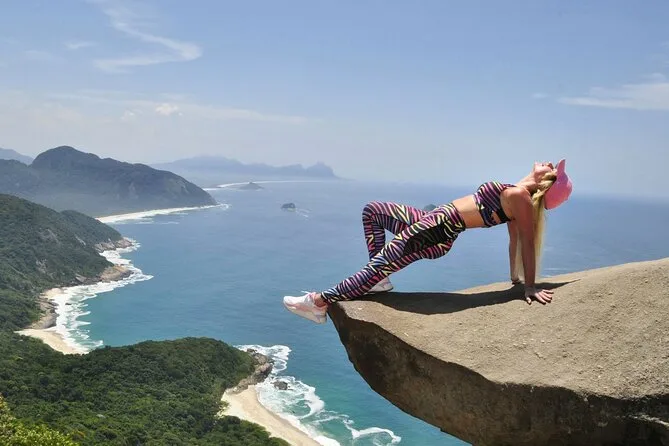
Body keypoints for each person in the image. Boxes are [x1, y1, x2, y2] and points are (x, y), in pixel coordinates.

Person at [284, 159, 573, 324]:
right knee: (373, 211)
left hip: (436, 231)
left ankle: (319, 302)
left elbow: (526, 241)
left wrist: (530, 286)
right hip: (431, 220)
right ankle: (379, 281)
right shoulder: (517, 191)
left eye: (552, 169)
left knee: (379, 263)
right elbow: (514, 243)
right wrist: (515, 279)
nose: (548, 163)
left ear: (546, 183)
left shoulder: (520, 197)